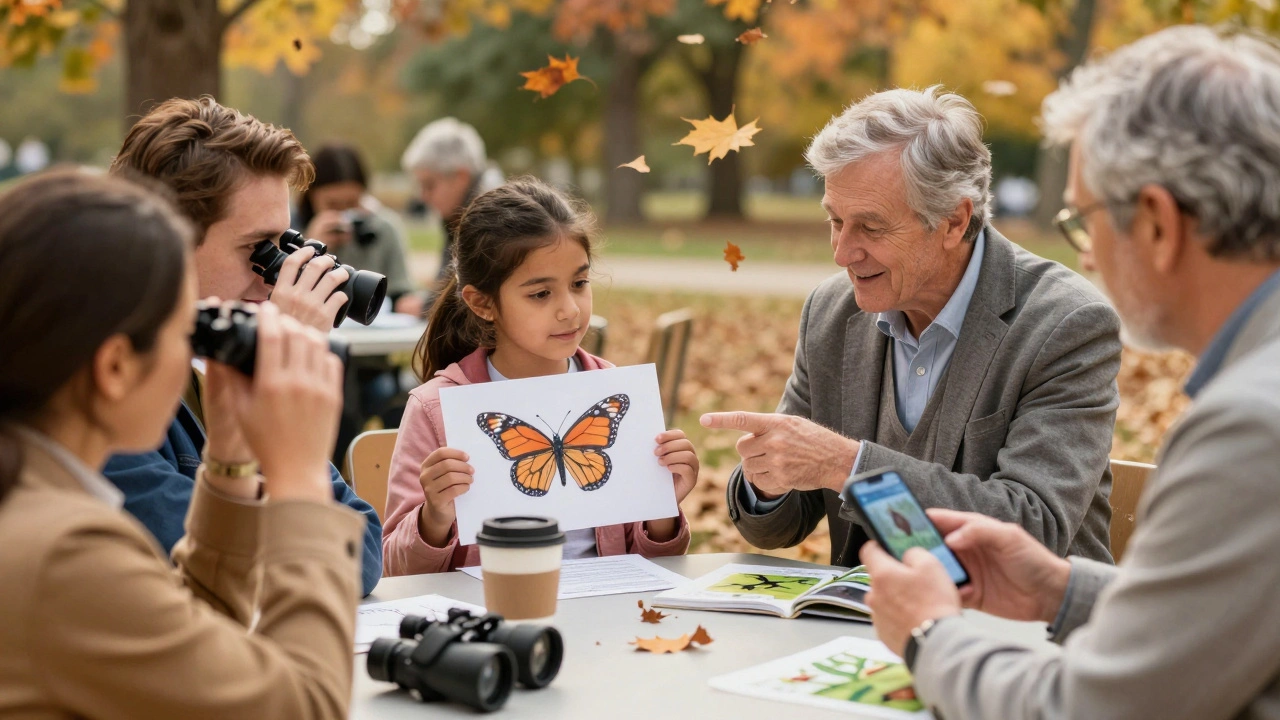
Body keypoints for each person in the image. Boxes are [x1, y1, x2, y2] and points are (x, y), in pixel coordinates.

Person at [859, 26, 1280, 720]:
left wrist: (931, 635)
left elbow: (1086, 709)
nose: (1085, 257)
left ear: (1155, 224)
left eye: (1084, 220)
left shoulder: (1249, 427)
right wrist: (1062, 589)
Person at [703, 87, 1123, 567]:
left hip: (1019, 628)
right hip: (866, 621)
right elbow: (780, 527)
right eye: (835, 220)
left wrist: (845, 465)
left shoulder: (1065, 324)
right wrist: (767, 480)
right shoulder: (832, 312)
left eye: (871, 227)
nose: (842, 252)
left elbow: (1034, 527)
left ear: (953, 221)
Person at [0, 169, 362, 717]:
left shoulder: (31, 497)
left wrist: (231, 469)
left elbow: (192, 642)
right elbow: (304, 706)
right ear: (116, 366)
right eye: (185, 333)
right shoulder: (62, 555)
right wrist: (300, 480)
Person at [100, 97, 383, 596]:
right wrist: (278, 369)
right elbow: (216, 570)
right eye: (257, 250)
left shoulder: (207, 359)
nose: (273, 279)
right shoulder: (99, 386)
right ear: (169, 240)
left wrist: (272, 370)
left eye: (282, 246)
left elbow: (359, 554)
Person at [382, 178, 697, 575]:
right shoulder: (435, 409)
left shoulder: (614, 390)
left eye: (580, 283)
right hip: (494, 622)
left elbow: (655, 570)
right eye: (540, 294)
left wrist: (662, 509)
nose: (570, 310)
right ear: (482, 303)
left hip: (607, 620)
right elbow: (394, 571)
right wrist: (434, 517)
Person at [296, 143, 422, 317]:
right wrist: (309, 248)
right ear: (310, 196)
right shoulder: (290, 227)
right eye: (332, 204)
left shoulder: (384, 229)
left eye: (351, 203)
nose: (342, 213)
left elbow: (402, 293)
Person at [400, 117, 504, 288]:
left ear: (461, 177)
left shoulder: (494, 223)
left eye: (429, 185)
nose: (423, 196)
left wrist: (425, 305)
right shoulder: (461, 213)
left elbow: (463, 300)